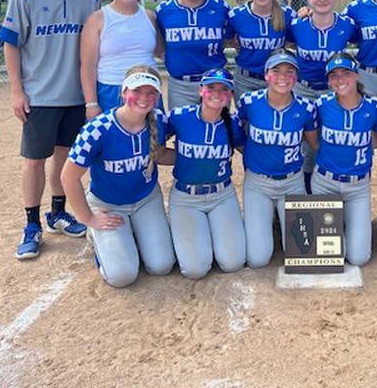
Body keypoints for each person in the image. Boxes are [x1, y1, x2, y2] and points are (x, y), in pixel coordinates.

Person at [0, 0, 100, 260]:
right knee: (34, 161)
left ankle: (57, 213)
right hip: (39, 95)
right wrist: (17, 91)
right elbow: (11, 43)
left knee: (64, 158)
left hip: (74, 95)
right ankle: (31, 224)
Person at [61, 67, 176, 287]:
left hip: (145, 200)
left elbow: (158, 153)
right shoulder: (98, 129)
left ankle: (132, 234)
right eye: (137, 91)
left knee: (161, 265)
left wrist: (196, 158)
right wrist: (88, 218)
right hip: (108, 205)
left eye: (151, 92)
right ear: (123, 93)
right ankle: (96, 236)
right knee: (122, 276)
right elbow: (68, 177)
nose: (144, 98)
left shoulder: (158, 119)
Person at [237, 49, 318, 268]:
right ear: (266, 75)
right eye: (276, 70)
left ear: (296, 77)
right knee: (258, 258)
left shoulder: (306, 107)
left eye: (289, 71)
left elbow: (315, 144)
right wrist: (254, 155)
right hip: (257, 183)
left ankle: (280, 226)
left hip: (292, 182)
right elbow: (236, 134)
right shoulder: (248, 101)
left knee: (302, 253)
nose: (282, 77)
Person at [165, 68, 246, 279]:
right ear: (201, 90)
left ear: (230, 95)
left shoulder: (232, 123)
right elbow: (154, 145)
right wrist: (183, 158)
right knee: (195, 270)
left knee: (233, 263)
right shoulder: (180, 117)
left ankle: (209, 234)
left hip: (222, 196)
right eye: (211, 87)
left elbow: (246, 150)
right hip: (186, 198)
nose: (217, 93)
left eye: (224, 89)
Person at [312, 53, 377, 266]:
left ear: (357, 76)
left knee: (359, 258)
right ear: (328, 81)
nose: (340, 79)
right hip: (325, 183)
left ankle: (346, 226)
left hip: (358, 187)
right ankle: (339, 226)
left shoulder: (373, 106)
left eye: (346, 73)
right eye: (333, 75)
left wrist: (356, 143)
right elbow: (313, 139)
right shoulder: (321, 104)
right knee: (330, 254)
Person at [288, 0, 357, 187]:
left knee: (332, 140)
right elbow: (286, 44)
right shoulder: (297, 25)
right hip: (305, 89)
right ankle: (306, 192)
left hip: (333, 90)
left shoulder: (347, 24)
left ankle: (332, 190)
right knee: (304, 145)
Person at [80, 0, 162, 118]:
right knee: (114, 141)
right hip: (112, 90)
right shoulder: (98, 19)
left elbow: (163, 52)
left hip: (147, 89)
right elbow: (88, 65)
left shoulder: (150, 17)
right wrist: (91, 103)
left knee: (151, 141)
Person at [156, 0, 230, 108]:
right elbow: (159, 41)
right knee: (184, 130)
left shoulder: (221, 7)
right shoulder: (164, 11)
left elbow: (232, 38)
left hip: (215, 84)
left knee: (218, 130)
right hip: (180, 86)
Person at [228, 0, 295, 96]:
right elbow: (227, 40)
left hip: (276, 80)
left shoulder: (288, 15)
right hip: (245, 81)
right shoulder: (236, 15)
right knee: (246, 117)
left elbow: (293, 42)